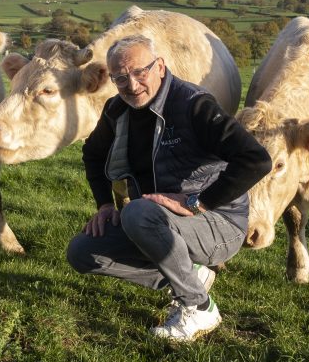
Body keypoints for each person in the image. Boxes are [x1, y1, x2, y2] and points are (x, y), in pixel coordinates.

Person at [66, 34, 271, 342]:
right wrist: (105, 205)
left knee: (137, 212)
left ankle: (199, 307)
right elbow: (92, 155)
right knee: (82, 252)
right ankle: (193, 276)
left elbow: (256, 160)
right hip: (155, 219)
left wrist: (198, 202)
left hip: (218, 223)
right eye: (121, 78)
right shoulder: (116, 111)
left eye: (139, 73)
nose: (132, 86)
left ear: (159, 67)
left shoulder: (193, 105)